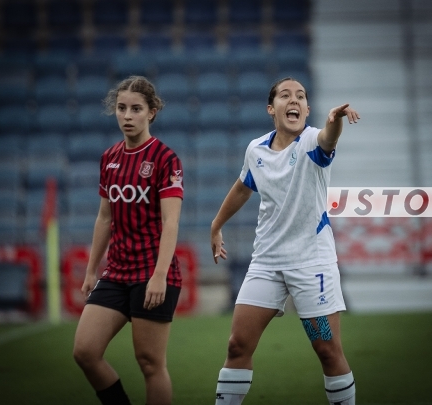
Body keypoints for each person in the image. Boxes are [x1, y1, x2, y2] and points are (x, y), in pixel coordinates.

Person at [210, 77, 360, 405]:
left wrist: (334, 122)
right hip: (266, 263)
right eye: (285, 95)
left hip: (312, 264)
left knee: (328, 350)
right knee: (237, 346)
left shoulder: (312, 142)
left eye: (300, 96)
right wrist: (216, 224)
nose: (294, 100)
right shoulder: (256, 150)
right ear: (271, 108)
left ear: (306, 109)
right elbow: (242, 187)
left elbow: (329, 138)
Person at [73, 76, 184, 405]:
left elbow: (171, 221)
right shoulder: (109, 158)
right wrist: (91, 270)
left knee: (150, 363)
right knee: (85, 351)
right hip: (117, 272)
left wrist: (160, 275)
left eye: (136, 109)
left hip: (152, 272)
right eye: (121, 108)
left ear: (151, 112)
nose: (127, 115)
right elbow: (104, 218)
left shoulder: (165, 159)